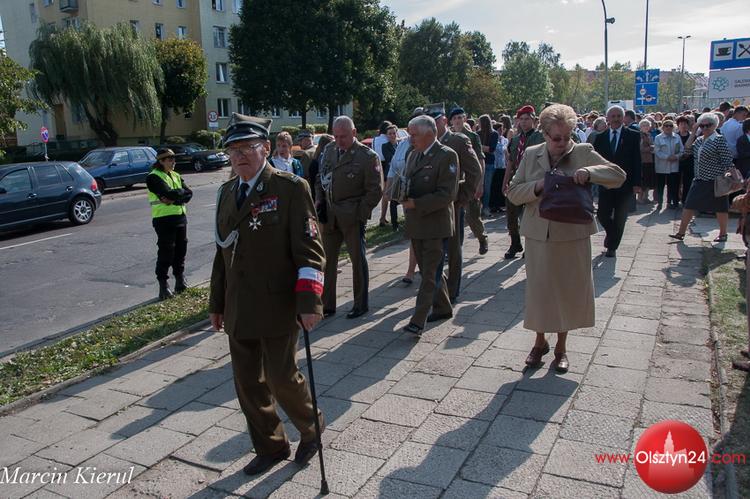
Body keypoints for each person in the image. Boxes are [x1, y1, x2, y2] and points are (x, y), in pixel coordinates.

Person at [208, 113, 326, 476]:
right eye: (234, 149)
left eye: (248, 147)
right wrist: (216, 302)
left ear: (266, 148)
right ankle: (271, 445)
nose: (240, 155)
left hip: (278, 302)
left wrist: (309, 302)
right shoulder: (227, 192)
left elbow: (310, 251)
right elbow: (222, 252)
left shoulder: (290, 188)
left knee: (281, 377)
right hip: (239, 305)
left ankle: (311, 427)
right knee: (248, 384)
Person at [506, 104, 625, 373]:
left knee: (568, 292)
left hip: (573, 233)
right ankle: (539, 342)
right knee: (540, 291)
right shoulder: (532, 154)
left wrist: (590, 173)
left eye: (566, 137)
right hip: (539, 234)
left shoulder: (582, 151)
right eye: (556, 138)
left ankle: (561, 347)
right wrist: (538, 186)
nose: (561, 143)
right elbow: (513, 192)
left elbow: (618, 176)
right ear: (545, 134)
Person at [316, 116, 383, 319]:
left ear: (354, 133)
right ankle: (327, 304)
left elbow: (375, 190)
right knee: (327, 261)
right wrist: (319, 200)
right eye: (335, 136)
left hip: (352, 217)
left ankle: (360, 304)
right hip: (330, 216)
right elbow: (320, 176)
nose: (339, 141)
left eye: (343, 136)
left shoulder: (367, 156)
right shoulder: (329, 150)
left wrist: (359, 214)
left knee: (357, 260)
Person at [400, 114, 458, 336]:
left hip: (435, 225)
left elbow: (447, 194)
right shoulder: (414, 154)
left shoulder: (446, 155)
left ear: (430, 134)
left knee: (429, 274)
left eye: (414, 135)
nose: (411, 139)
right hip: (417, 223)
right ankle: (443, 307)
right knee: (428, 270)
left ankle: (418, 320)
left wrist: (416, 203)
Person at [428, 103, 482, 303]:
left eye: (435, 121)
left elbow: (474, 170)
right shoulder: (427, 142)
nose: (432, 125)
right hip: (432, 204)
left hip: (453, 203)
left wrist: (463, 197)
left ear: (444, 120)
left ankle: (452, 290)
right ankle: (436, 287)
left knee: (453, 249)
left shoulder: (457, 140)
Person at [670, 112, 736, 243]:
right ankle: (681, 232)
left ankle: (723, 234)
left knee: (720, 208)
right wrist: (694, 132)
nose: (705, 128)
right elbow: (687, 149)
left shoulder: (719, 139)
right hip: (699, 179)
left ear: (714, 125)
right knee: (689, 205)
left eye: (708, 125)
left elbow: (727, 160)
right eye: (702, 125)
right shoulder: (699, 140)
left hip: (715, 180)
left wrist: (733, 177)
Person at [593, 105, 642, 258]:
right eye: (613, 116)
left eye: (618, 116)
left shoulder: (633, 135)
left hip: (625, 183)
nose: (615, 119)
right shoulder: (600, 137)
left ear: (623, 118)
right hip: (606, 183)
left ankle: (612, 247)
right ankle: (611, 233)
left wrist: (637, 183)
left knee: (620, 217)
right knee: (602, 215)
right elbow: (595, 161)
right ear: (607, 118)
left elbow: (637, 160)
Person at [147, 148, 193, 300]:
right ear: (161, 161)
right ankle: (163, 285)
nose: (173, 162)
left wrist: (174, 198)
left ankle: (180, 280)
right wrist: (177, 195)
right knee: (166, 251)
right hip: (163, 219)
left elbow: (189, 193)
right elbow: (167, 193)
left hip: (180, 217)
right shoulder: (153, 177)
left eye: (174, 159)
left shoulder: (176, 175)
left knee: (181, 249)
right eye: (169, 159)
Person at [503, 105, 544, 259]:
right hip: (516, 180)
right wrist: (505, 182)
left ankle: (530, 246)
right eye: (521, 119)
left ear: (534, 120)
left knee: (530, 216)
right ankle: (515, 243)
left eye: (527, 119)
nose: (524, 122)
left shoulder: (540, 138)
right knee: (511, 215)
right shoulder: (515, 140)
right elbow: (510, 162)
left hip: (533, 179)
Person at [385, 112, 419, 284]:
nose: (411, 135)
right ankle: (412, 269)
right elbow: (393, 167)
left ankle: (416, 269)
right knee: (414, 233)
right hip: (406, 195)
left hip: (424, 196)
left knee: (424, 235)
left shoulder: (429, 146)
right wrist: (389, 190)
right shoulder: (402, 145)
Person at [449, 107, 487, 254]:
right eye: (454, 118)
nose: (457, 120)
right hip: (455, 182)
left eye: (460, 117)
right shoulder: (448, 137)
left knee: (472, 216)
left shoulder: (472, 136)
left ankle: (482, 238)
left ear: (464, 118)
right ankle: (455, 249)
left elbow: (480, 160)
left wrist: (480, 183)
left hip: (469, 181)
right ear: (451, 121)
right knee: (454, 217)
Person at [653, 119, 684, 210]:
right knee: (660, 186)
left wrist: (677, 156)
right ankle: (659, 202)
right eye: (666, 125)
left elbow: (681, 150)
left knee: (672, 185)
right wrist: (667, 157)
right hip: (662, 165)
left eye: (670, 126)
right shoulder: (658, 138)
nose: (668, 127)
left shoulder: (677, 137)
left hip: (674, 165)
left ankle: (670, 202)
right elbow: (657, 151)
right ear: (663, 127)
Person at [379, 124, 399, 228]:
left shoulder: (401, 144)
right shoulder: (385, 146)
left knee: (400, 197)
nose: (392, 135)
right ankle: (383, 219)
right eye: (390, 134)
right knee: (387, 196)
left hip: (401, 174)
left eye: (394, 133)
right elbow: (389, 159)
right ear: (387, 135)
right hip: (390, 175)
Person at [677, 115, 696, 205]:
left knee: (687, 182)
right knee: (677, 182)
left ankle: (685, 200)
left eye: (685, 124)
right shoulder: (675, 136)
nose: (683, 126)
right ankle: (676, 199)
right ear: (678, 125)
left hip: (689, 162)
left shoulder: (693, 136)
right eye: (681, 124)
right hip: (677, 162)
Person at [637, 119, 655, 204]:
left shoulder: (649, 135)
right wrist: (650, 148)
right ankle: (640, 198)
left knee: (648, 179)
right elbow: (640, 148)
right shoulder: (640, 136)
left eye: (647, 125)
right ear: (640, 127)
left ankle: (646, 197)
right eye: (644, 125)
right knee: (642, 180)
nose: (646, 127)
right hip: (642, 160)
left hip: (649, 160)